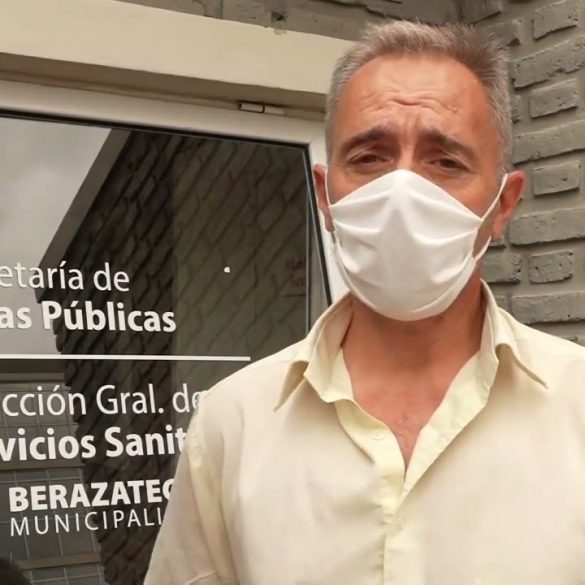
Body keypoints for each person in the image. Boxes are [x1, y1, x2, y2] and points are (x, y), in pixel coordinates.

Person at [145, 20, 585, 585]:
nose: (402, 192)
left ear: (503, 205)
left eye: (445, 162)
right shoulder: (231, 424)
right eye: (370, 157)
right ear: (326, 196)